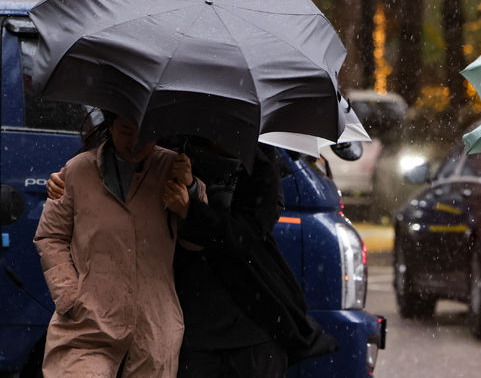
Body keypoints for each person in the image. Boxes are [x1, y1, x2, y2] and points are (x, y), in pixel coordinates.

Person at [47, 138, 337, 378]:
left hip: (253, 320)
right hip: (186, 322)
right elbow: (99, 169)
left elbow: (244, 237)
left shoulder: (260, 165)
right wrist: (64, 180)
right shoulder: (166, 149)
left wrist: (192, 211)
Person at [35, 111, 205, 378]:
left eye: (147, 133)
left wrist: (190, 195)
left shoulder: (174, 170)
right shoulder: (78, 170)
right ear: (110, 127)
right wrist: (69, 295)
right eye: (127, 130)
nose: (137, 141)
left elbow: (199, 243)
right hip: (88, 320)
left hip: (155, 323)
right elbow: (50, 236)